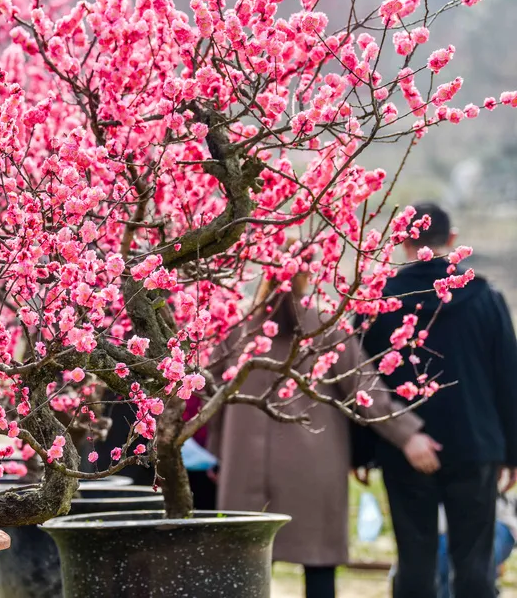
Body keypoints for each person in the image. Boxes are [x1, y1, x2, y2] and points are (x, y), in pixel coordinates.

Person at [211, 272, 440, 598]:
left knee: (247, 564)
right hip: (314, 464)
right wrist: (407, 434)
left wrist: (219, 452)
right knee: (318, 563)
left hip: (244, 463)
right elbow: (367, 392)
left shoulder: (238, 326)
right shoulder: (326, 325)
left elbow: (212, 397)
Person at [360, 202, 517, 598]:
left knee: (415, 561)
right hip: (476, 446)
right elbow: (509, 378)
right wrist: (513, 453)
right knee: (475, 565)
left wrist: (359, 451)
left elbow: (359, 378)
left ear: (402, 242)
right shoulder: (486, 298)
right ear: (451, 240)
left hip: (402, 447)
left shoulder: (379, 299)